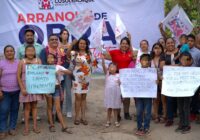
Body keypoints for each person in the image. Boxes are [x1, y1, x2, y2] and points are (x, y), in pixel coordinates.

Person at [103, 35, 135, 120]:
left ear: (128, 45)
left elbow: (134, 57)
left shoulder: (130, 53)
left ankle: (126, 113)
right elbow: (105, 55)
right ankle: (118, 114)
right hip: (116, 77)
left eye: (126, 44)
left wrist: (130, 40)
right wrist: (102, 48)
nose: (124, 45)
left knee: (126, 96)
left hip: (127, 77)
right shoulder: (114, 52)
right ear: (120, 44)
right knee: (117, 96)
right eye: (123, 43)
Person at [17, 28, 43, 122]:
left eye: (31, 35)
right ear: (24, 37)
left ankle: (34, 114)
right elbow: (18, 62)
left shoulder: (40, 47)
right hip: (25, 77)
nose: (29, 37)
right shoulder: (20, 48)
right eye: (27, 35)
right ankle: (26, 115)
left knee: (34, 98)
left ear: (33, 36)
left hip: (36, 77)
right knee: (26, 98)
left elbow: (41, 61)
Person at [72, 37, 97, 125]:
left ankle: (83, 117)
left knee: (83, 97)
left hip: (86, 79)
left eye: (84, 43)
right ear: (78, 44)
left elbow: (94, 63)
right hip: (76, 78)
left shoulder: (89, 53)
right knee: (77, 96)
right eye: (80, 43)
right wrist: (72, 44)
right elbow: (70, 61)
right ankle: (76, 117)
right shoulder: (74, 53)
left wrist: (90, 71)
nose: (82, 45)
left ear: (86, 45)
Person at [45, 53, 72, 134]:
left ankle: (64, 126)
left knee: (58, 108)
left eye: (52, 58)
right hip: (47, 89)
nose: (50, 59)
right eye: (48, 58)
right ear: (46, 60)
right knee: (49, 107)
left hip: (56, 89)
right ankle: (51, 125)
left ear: (55, 59)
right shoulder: (44, 68)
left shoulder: (58, 67)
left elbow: (69, 72)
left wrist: (62, 70)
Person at [0, 45, 20, 139]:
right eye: (7, 51)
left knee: (15, 109)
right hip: (5, 92)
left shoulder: (19, 62)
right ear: (4, 53)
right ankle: (3, 130)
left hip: (17, 91)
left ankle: (12, 128)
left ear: (14, 52)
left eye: (11, 51)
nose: (9, 52)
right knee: (4, 110)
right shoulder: (1, 63)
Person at [175, 52, 193, 134]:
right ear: (180, 59)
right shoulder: (176, 69)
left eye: (187, 60)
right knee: (180, 107)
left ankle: (187, 125)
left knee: (186, 108)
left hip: (188, 92)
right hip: (179, 92)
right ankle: (182, 124)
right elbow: (170, 76)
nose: (184, 61)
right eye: (183, 59)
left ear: (190, 61)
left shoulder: (192, 69)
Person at [135, 54, 153, 136]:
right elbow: (131, 81)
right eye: (143, 60)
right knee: (139, 112)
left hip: (148, 96)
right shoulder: (136, 70)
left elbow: (156, 80)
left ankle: (146, 127)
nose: (145, 62)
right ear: (140, 61)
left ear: (149, 62)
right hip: (138, 95)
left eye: (146, 60)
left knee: (147, 112)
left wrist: (157, 81)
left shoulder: (152, 71)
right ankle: (139, 127)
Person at [102, 56, 122, 127]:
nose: (112, 68)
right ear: (108, 69)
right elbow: (104, 67)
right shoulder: (107, 75)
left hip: (116, 95)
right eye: (110, 67)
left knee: (115, 108)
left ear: (116, 68)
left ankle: (116, 120)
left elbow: (121, 84)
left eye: (114, 67)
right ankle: (108, 120)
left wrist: (120, 82)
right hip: (109, 95)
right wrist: (103, 61)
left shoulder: (119, 75)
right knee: (109, 108)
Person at [58, 29, 74, 118]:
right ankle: (59, 109)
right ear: (60, 35)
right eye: (63, 34)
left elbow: (73, 57)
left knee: (68, 91)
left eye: (67, 34)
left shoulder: (70, 45)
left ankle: (69, 110)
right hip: (60, 70)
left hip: (68, 70)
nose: (65, 35)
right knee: (60, 91)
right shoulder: (57, 45)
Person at [164, 37, 179, 127]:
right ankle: (170, 119)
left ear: (174, 43)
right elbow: (162, 66)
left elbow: (185, 63)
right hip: (169, 80)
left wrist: (170, 66)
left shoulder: (180, 51)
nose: (170, 44)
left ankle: (182, 119)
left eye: (172, 42)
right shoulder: (164, 54)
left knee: (180, 99)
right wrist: (177, 65)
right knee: (169, 99)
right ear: (165, 45)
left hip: (180, 79)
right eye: (168, 43)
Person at [150, 43, 166, 123]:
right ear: (153, 49)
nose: (157, 49)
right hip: (153, 81)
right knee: (155, 99)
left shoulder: (164, 57)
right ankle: (155, 115)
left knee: (163, 99)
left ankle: (164, 115)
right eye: (155, 48)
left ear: (162, 49)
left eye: (159, 48)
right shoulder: (150, 59)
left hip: (163, 81)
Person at [187, 34, 200, 122]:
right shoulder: (183, 50)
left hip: (195, 77)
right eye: (188, 41)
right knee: (186, 96)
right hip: (184, 77)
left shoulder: (198, 52)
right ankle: (185, 113)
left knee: (194, 96)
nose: (190, 42)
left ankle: (193, 113)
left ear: (194, 42)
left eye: (192, 41)